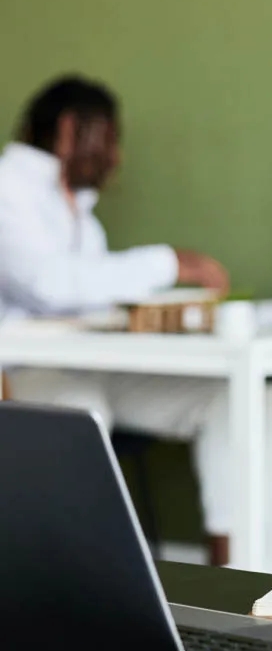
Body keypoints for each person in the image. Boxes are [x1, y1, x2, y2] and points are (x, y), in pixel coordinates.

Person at [0, 75, 233, 561]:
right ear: (69, 129)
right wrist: (168, 262)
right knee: (82, 417)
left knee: (222, 400)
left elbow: (89, 298)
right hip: (23, 375)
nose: (116, 156)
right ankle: (74, 575)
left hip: (95, 368)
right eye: (108, 136)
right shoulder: (8, 188)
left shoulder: (84, 216)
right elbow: (49, 285)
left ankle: (235, 559)